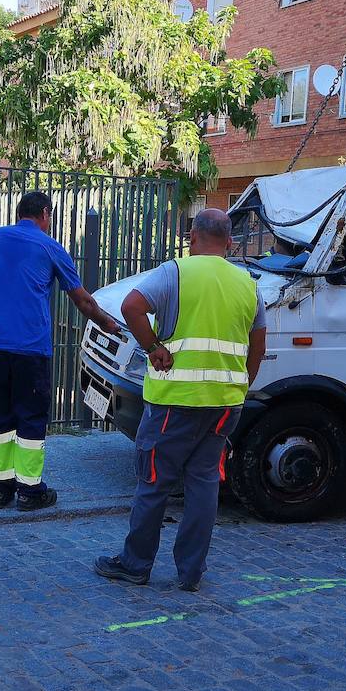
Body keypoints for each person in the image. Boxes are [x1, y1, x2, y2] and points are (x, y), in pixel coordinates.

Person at [94, 209, 266, 591]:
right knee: (204, 483)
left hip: (175, 402)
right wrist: (241, 384)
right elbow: (258, 342)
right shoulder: (248, 284)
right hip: (224, 405)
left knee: (154, 482)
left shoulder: (175, 273)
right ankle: (191, 572)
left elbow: (130, 307)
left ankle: (135, 564)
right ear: (230, 243)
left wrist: (153, 347)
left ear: (192, 237)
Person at [0, 191, 123, 511]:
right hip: (31, 350)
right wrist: (108, 324)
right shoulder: (51, 247)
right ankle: (30, 491)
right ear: (45, 213)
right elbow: (83, 300)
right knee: (30, 418)